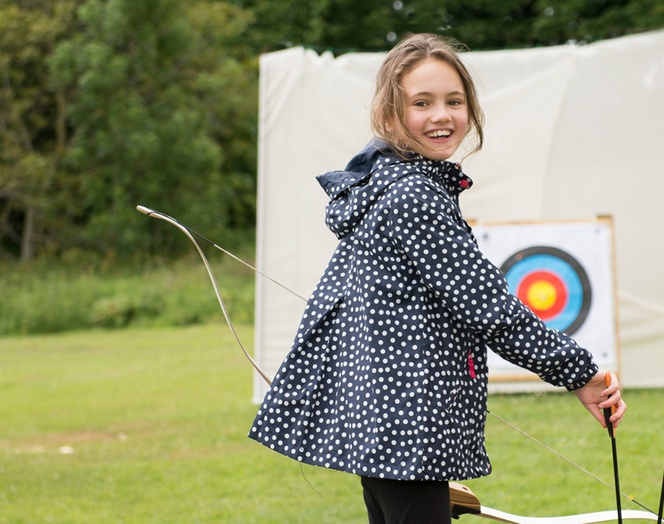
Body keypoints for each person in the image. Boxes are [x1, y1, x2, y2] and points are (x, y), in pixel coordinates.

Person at [248, 33, 626, 524]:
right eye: (421, 103)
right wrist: (579, 373)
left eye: (454, 101)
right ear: (388, 116)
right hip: (407, 428)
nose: (441, 115)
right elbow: (490, 309)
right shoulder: (414, 198)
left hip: (387, 424)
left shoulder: (393, 188)